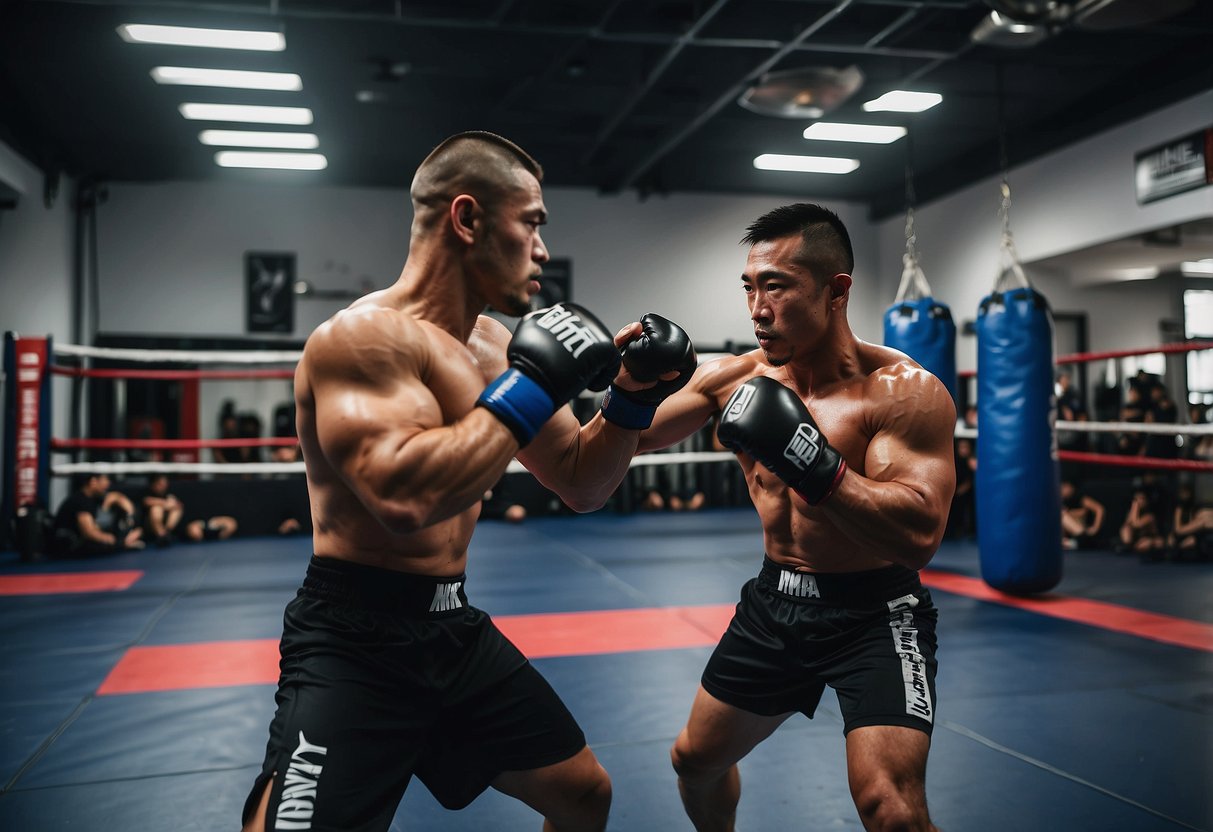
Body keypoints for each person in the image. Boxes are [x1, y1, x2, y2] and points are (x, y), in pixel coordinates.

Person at [241, 131, 696, 832]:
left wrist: (630, 399)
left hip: (451, 629)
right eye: (533, 222)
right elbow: (403, 498)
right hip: (353, 638)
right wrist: (534, 386)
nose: (543, 249)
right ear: (466, 218)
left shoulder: (494, 349)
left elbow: (582, 482)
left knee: (582, 795)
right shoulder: (361, 339)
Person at [628, 203, 956, 831]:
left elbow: (919, 537)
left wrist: (817, 468)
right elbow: (620, 443)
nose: (756, 308)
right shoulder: (733, 380)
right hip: (774, 605)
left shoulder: (905, 392)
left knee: (890, 807)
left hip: (876, 612)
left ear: (837, 292)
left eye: (775, 285)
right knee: (693, 761)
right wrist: (617, 389)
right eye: (749, 286)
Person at [50, 473, 144, 557]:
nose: (108, 484)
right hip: (70, 545)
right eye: (105, 480)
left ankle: (124, 542)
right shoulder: (81, 501)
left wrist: (130, 517)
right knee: (106, 544)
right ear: (93, 481)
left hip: (79, 541)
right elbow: (89, 532)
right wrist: (115, 540)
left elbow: (120, 498)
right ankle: (124, 544)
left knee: (128, 533)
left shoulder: (93, 498)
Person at [1060, 478, 1105, 550]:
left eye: (1064, 487)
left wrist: (1095, 528)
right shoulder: (1061, 502)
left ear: (1071, 487)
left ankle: (1081, 540)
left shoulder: (1080, 498)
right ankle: (1064, 542)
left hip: (1083, 534)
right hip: (1072, 536)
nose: (1062, 490)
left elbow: (1099, 509)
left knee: (1063, 515)